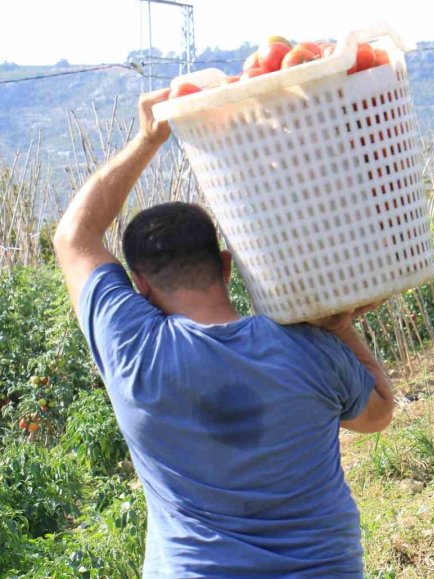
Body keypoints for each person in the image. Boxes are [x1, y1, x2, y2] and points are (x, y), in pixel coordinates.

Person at [52, 88, 394, 577]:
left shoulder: (132, 350)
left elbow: (74, 237)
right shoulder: (308, 348)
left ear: (141, 287)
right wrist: (340, 328)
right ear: (227, 267)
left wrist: (148, 139)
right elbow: (377, 414)